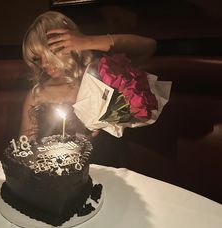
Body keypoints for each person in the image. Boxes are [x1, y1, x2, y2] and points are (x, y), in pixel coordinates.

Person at [19, 11, 157, 166]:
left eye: (50, 53)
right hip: (58, 180)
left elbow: (148, 46)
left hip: (109, 169)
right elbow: (26, 151)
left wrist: (87, 41)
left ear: (70, 43)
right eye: (37, 58)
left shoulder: (103, 74)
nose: (44, 64)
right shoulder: (37, 94)